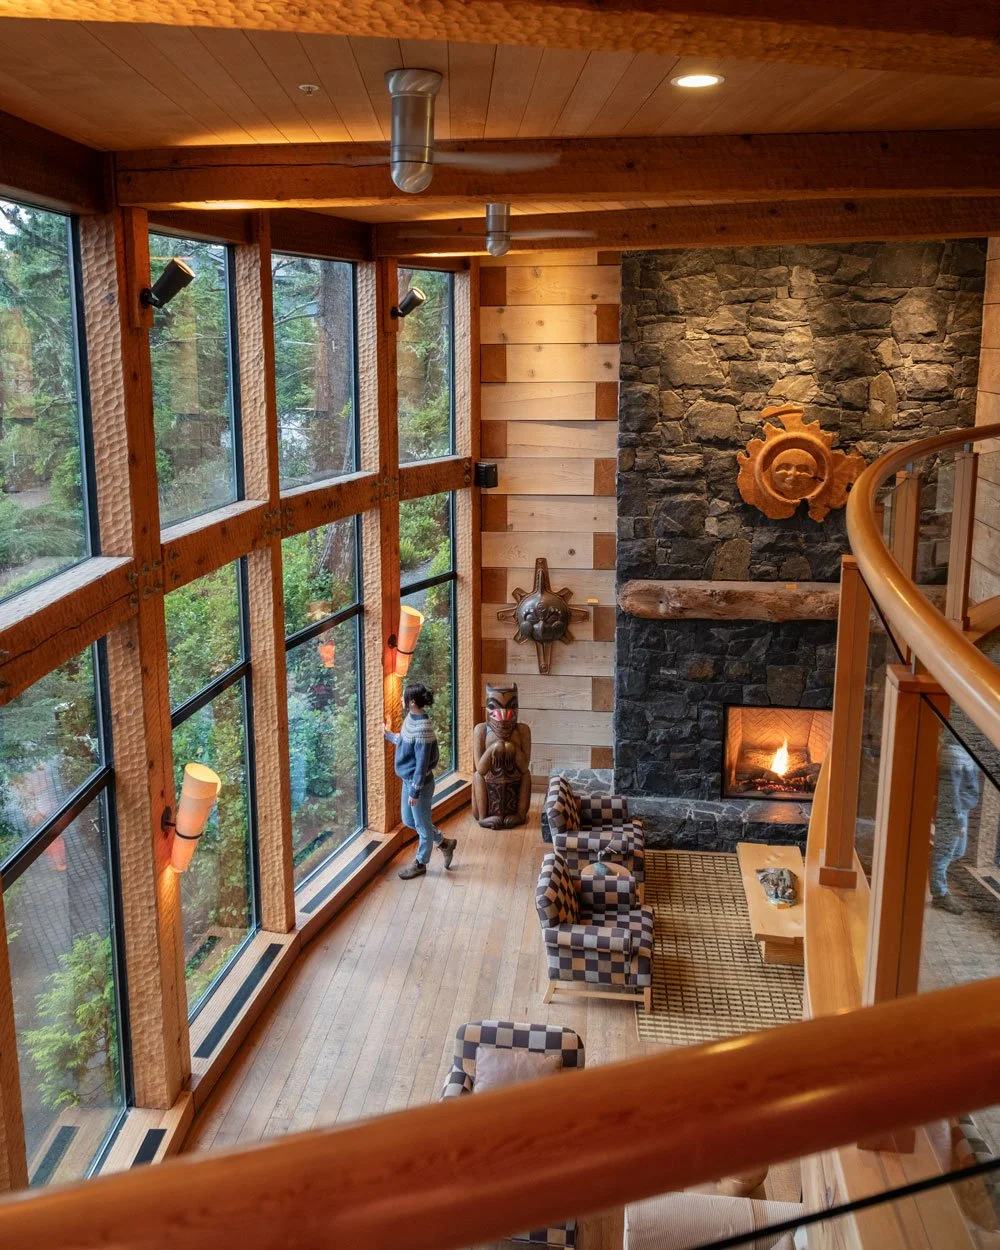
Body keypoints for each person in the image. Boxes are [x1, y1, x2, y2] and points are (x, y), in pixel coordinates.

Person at [384, 683, 457, 880]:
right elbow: (405, 741)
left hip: (420, 785)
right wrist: (388, 734)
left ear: (412, 701)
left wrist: (415, 792)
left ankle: (420, 863)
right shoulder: (412, 718)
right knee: (409, 820)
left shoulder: (424, 728)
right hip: (409, 781)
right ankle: (444, 843)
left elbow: (422, 765)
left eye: (404, 697)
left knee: (423, 825)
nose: (401, 699)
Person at [930, 735, 981, 914]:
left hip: (961, 809)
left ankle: (932, 870)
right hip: (951, 811)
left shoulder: (964, 750)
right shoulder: (952, 752)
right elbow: (949, 792)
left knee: (957, 851)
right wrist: (958, 819)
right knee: (944, 854)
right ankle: (940, 895)